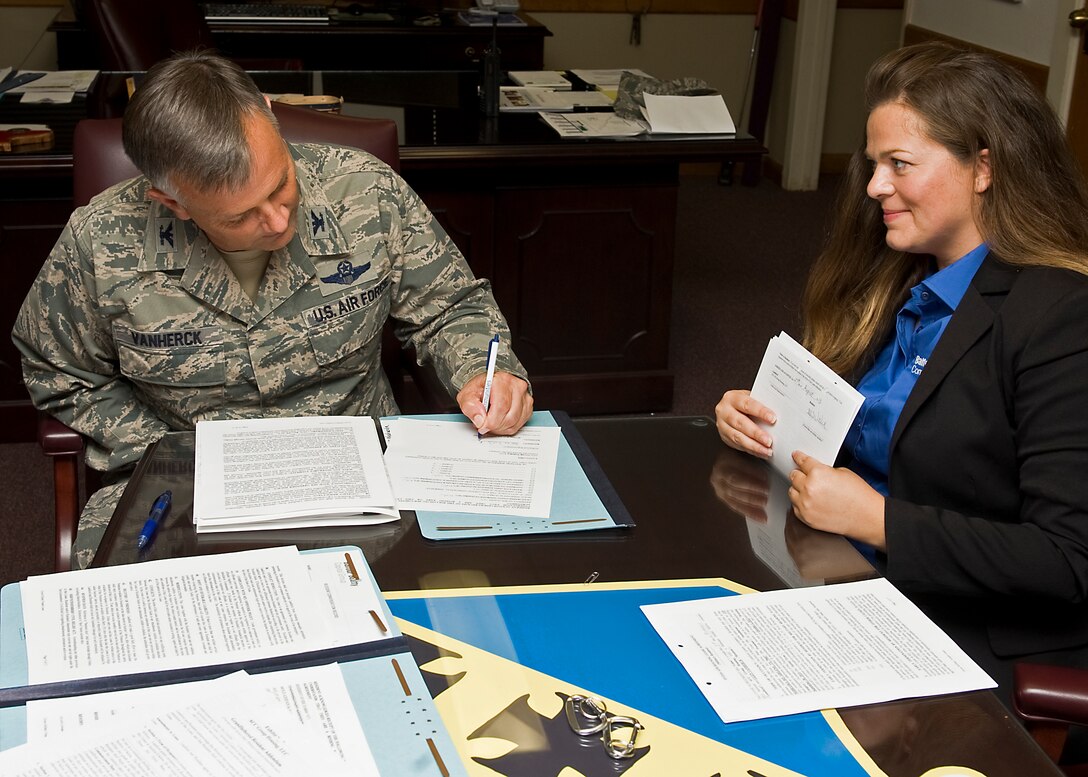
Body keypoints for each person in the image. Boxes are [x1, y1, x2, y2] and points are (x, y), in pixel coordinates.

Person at [13, 51, 533, 568]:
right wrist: (164, 452)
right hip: (184, 486)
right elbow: (59, 370)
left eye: (281, 183)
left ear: (267, 111)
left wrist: (483, 374)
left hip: (362, 475)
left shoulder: (367, 192)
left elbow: (451, 307)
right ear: (172, 202)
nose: (279, 220)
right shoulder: (100, 244)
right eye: (241, 216)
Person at [715, 42, 1088, 691]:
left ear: (983, 168)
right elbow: (871, 424)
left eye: (899, 164)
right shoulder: (900, 277)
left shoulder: (1059, 316)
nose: (874, 186)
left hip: (969, 629)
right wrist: (762, 420)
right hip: (840, 568)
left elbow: (1066, 558)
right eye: (873, 162)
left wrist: (877, 520)